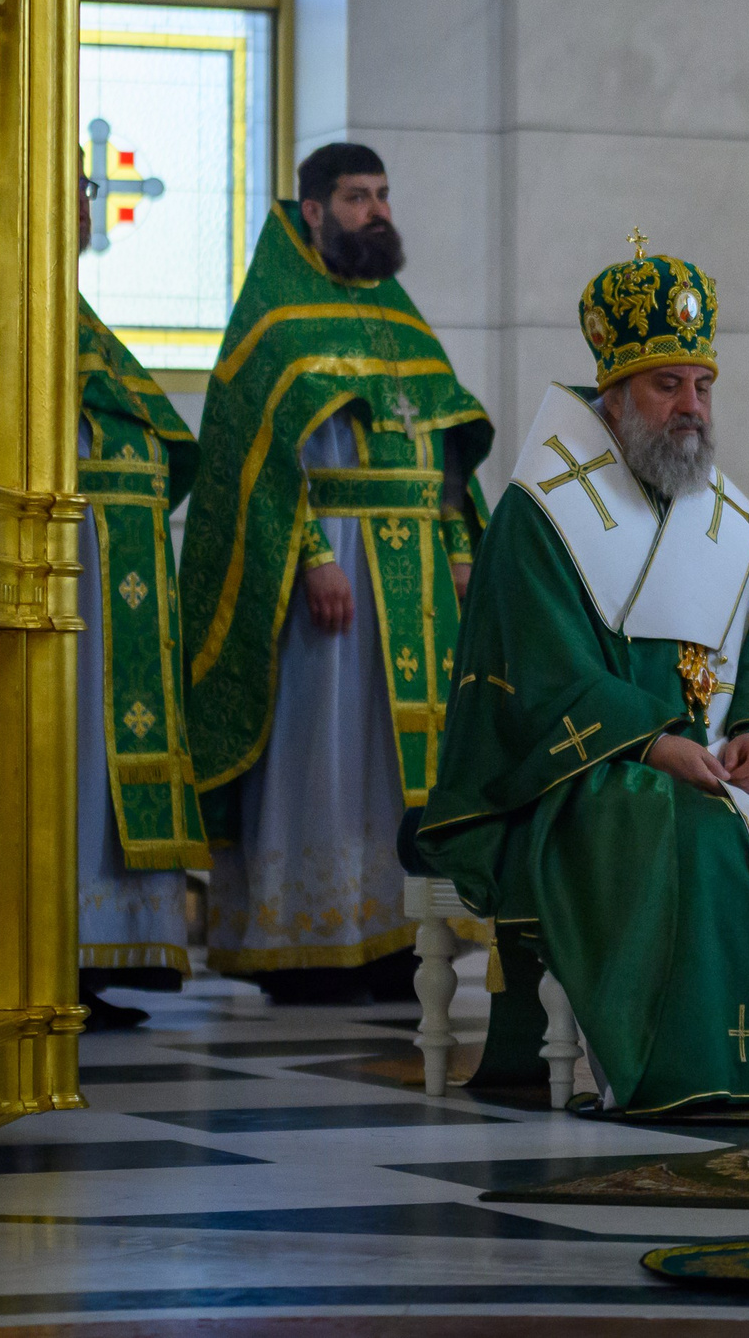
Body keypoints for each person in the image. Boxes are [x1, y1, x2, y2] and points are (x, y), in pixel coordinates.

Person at [415, 242, 749, 1114]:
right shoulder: (538, 513)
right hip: (582, 777)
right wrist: (655, 743)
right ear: (613, 398)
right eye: (667, 385)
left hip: (716, 764)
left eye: (703, 385)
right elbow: (540, 675)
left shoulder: (725, 516)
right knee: (689, 835)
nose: (691, 407)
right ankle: (688, 1069)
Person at [180, 144, 492, 1003]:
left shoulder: (398, 313)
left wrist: (463, 549)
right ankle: (309, 941)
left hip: (417, 571)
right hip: (331, 567)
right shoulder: (278, 315)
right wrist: (315, 555)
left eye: (383, 193)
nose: (377, 210)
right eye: (358, 196)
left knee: (405, 768)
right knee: (327, 750)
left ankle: (401, 934)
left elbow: (443, 436)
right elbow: (263, 457)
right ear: (313, 210)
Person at [74, 161, 207, 1028]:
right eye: (72, 185)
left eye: (85, 186)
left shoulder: (83, 329)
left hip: (114, 576)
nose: (84, 202)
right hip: (62, 572)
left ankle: (96, 952)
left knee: (97, 758)